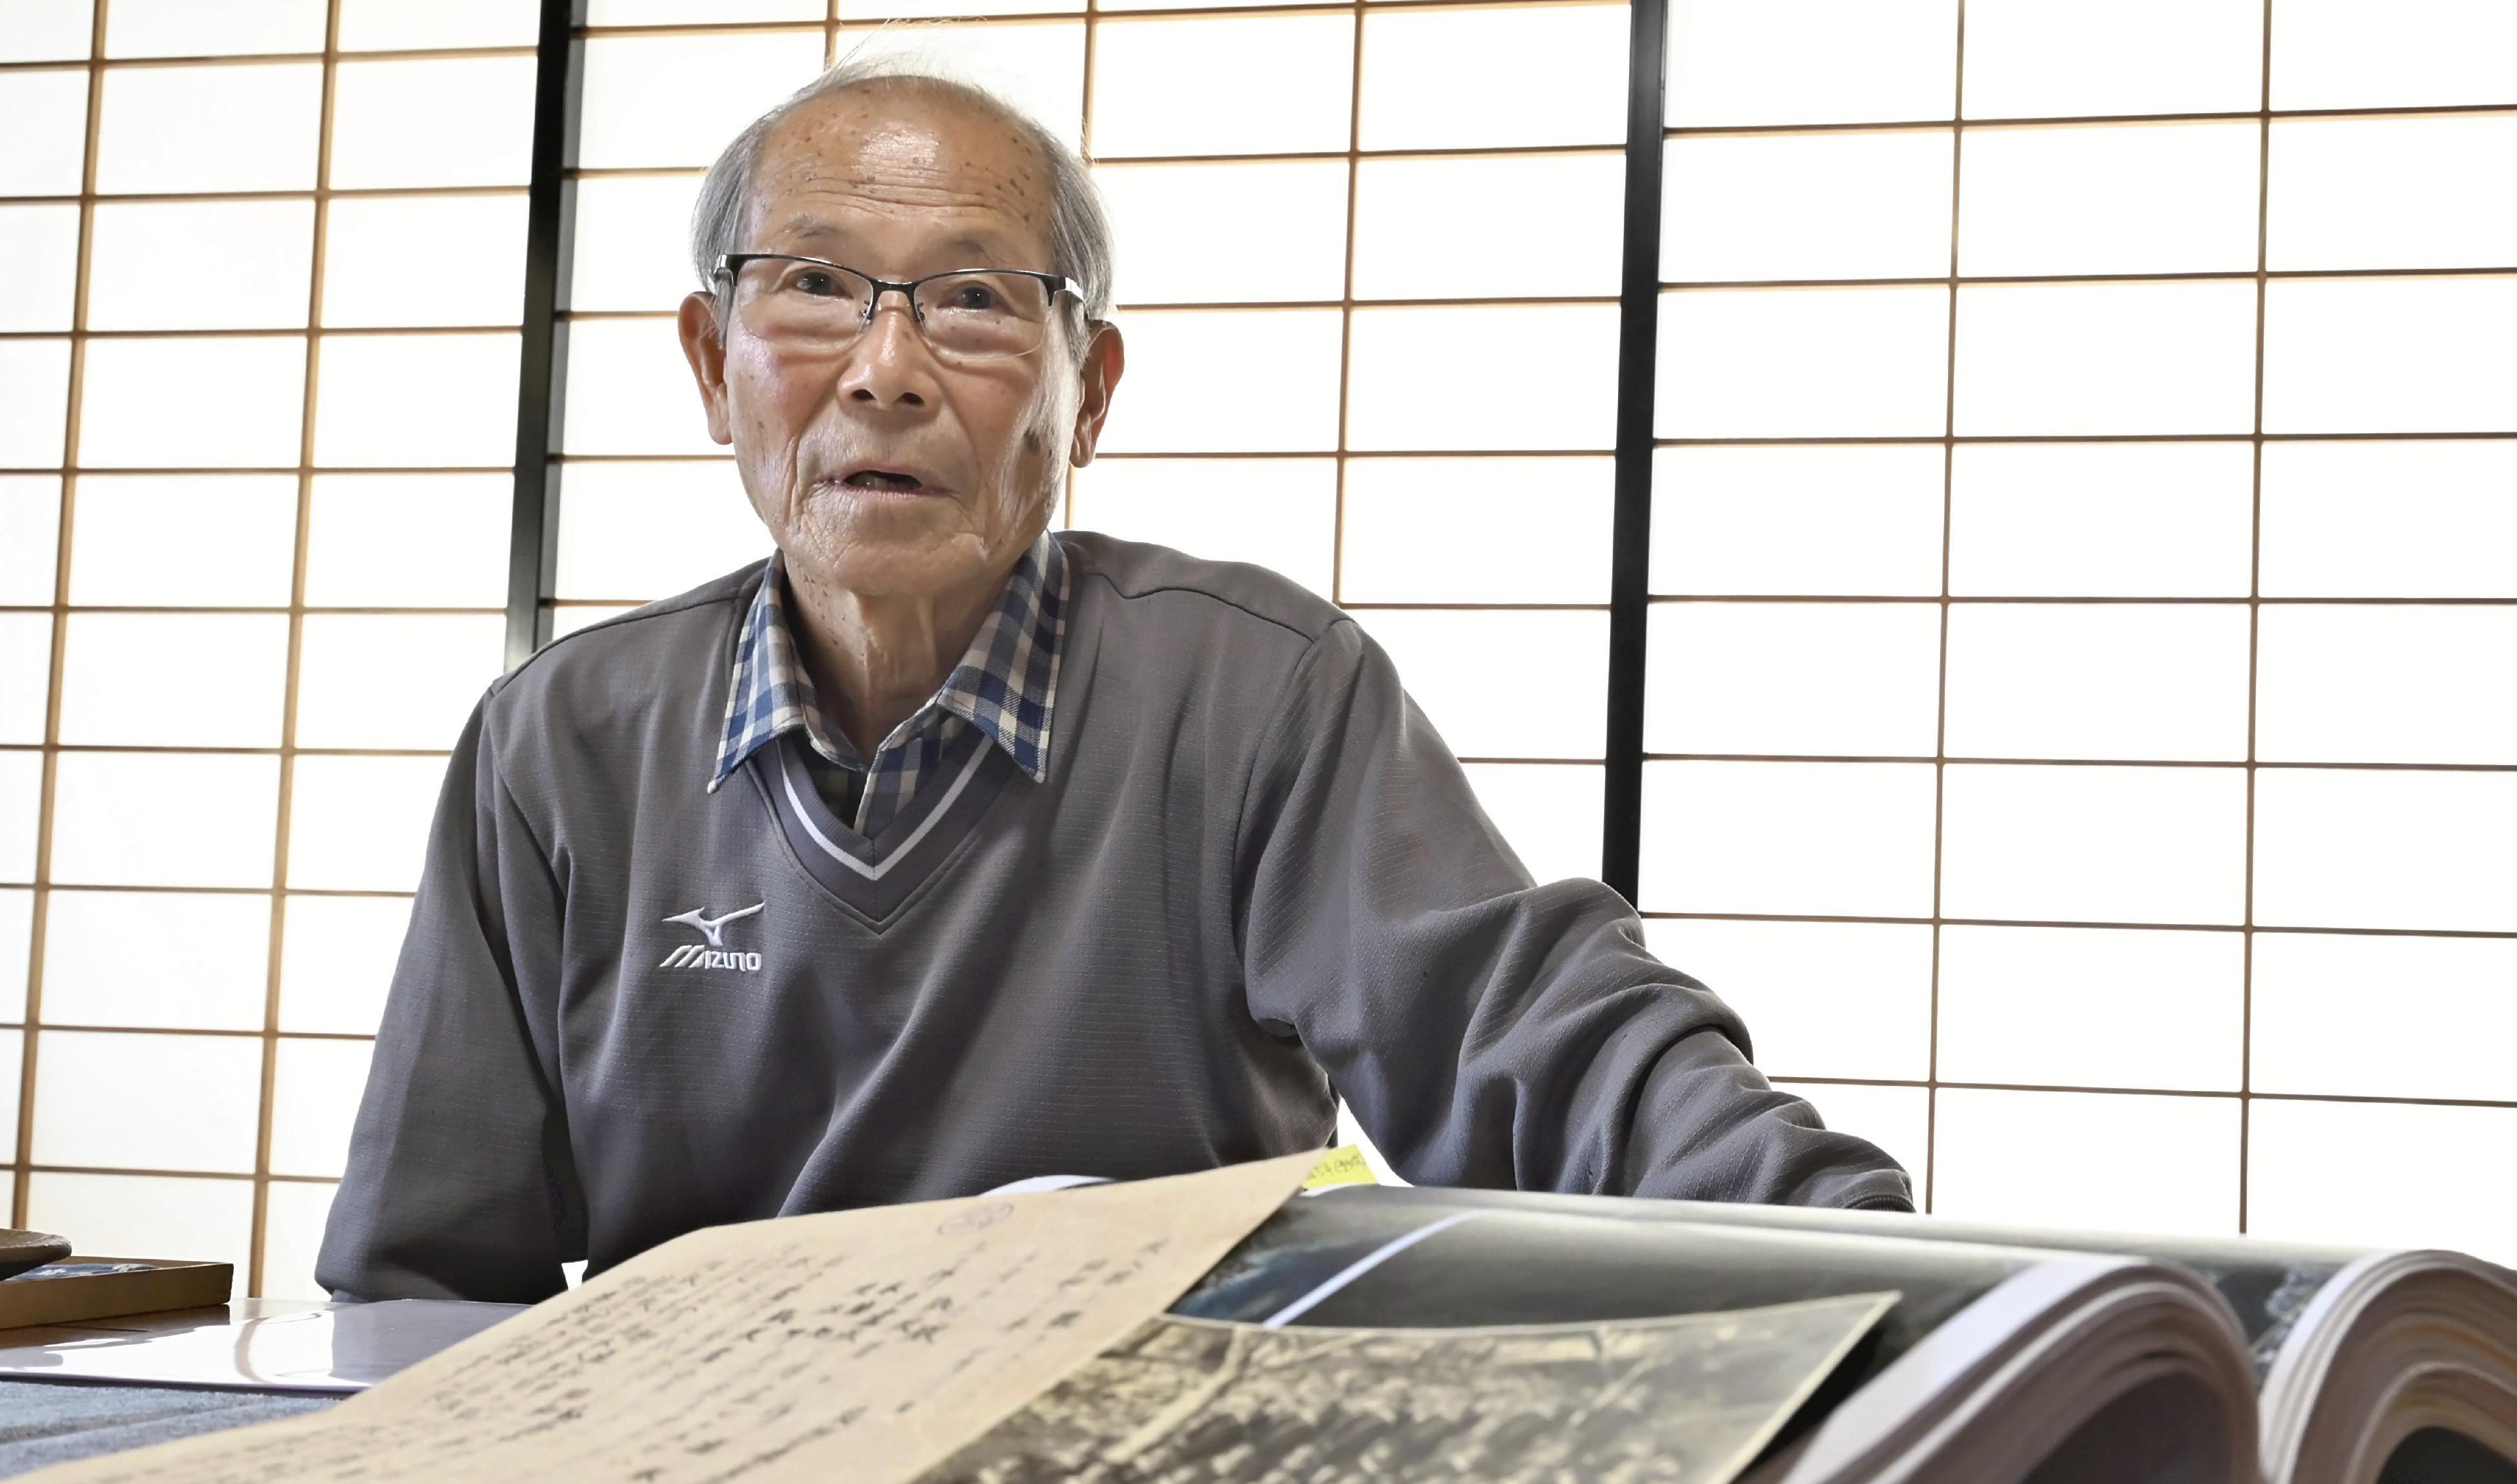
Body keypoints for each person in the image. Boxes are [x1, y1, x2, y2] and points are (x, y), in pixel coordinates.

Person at [318, 62, 1911, 1302]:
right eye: (813, 286)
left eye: (970, 299)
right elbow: (422, 1273)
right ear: (706, 359)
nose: (884, 368)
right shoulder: (560, 740)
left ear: (1087, 394)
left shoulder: (1254, 692)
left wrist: (1864, 1265)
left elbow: (1534, 1046)